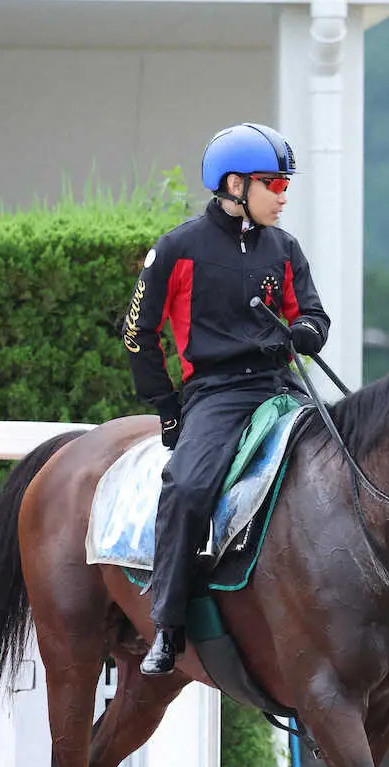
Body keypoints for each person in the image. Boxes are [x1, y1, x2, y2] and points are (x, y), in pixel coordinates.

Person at [122, 122, 330, 675]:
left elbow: (311, 313)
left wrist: (308, 331)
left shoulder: (284, 248)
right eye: (273, 184)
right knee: (188, 487)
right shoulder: (177, 248)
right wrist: (166, 406)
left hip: (282, 386)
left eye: (286, 185)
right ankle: (166, 625)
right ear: (235, 184)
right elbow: (137, 333)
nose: (284, 196)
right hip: (216, 394)